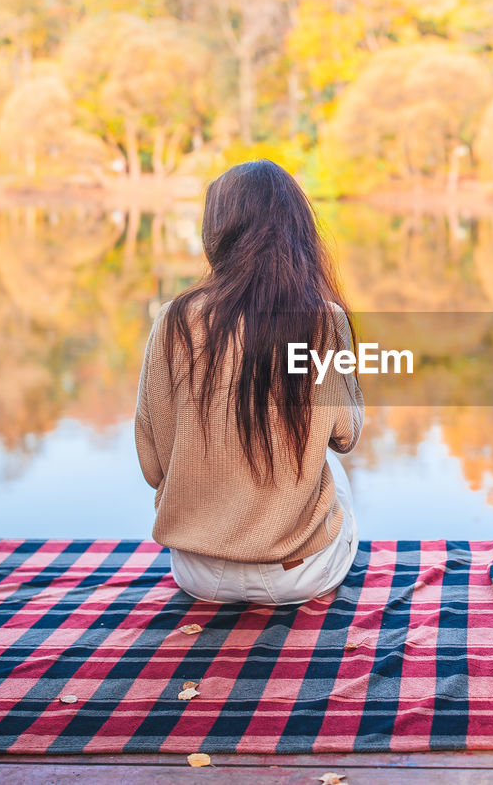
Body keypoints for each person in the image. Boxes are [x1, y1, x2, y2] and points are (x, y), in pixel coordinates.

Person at [134, 160, 364, 606]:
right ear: (298, 231)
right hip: (297, 576)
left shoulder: (173, 321)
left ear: (216, 233)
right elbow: (345, 436)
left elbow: (152, 465)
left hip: (196, 573)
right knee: (332, 471)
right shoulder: (322, 320)